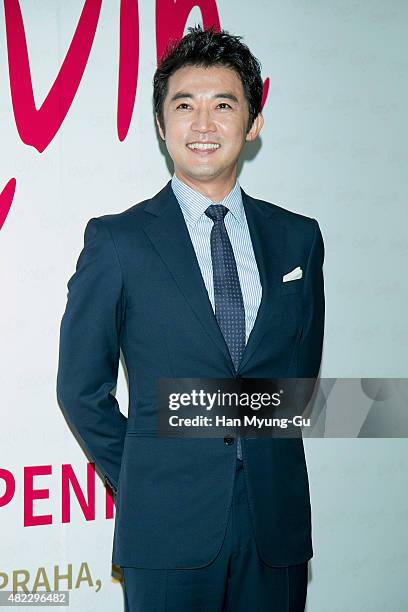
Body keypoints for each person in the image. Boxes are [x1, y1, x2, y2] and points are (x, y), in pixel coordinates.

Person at [57, 24, 325, 611]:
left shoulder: (299, 239)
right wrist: (143, 480)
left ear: (252, 123)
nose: (203, 124)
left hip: (274, 527)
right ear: (161, 125)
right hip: (165, 530)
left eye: (223, 105)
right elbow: (81, 389)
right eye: (184, 105)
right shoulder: (118, 242)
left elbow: (295, 390)